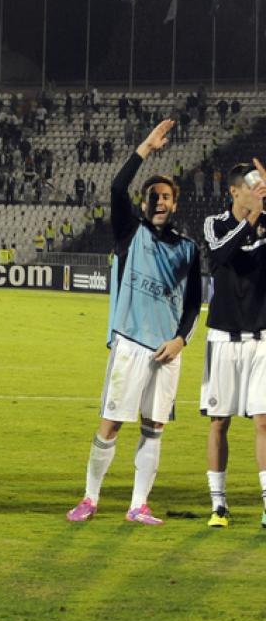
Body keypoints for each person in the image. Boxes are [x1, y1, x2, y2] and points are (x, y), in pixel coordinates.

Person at [66, 120, 201, 526]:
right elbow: (115, 188)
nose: (158, 202)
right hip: (129, 344)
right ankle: (90, 498)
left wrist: (180, 341)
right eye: (152, 197)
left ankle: (138, 505)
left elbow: (193, 304)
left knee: (154, 427)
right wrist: (145, 148)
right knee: (110, 425)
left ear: (175, 205)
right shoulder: (129, 233)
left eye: (165, 197)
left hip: (167, 351)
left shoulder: (188, 249)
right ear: (143, 205)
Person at [199, 159, 266, 528]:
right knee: (219, 422)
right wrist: (252, 219)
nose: (259, 195)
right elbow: (221, 256)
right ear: (234, 192)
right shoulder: (215, 224)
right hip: (223, 338)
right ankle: (219, 504)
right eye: (253, 189)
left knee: (264, 421)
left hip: (262, 338)